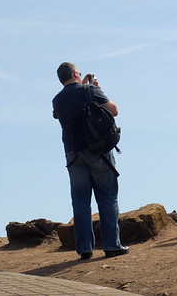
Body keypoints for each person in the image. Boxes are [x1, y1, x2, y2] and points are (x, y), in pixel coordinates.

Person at [52, 62, 129, 259]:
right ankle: (112, 245)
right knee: (107, 197)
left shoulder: (57, 100)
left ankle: (85, 248)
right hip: (99, 150)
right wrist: (95, 89)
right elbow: (114, 110)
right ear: (76, 74)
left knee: (80, 201)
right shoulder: (90, 91)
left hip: (73, 154)